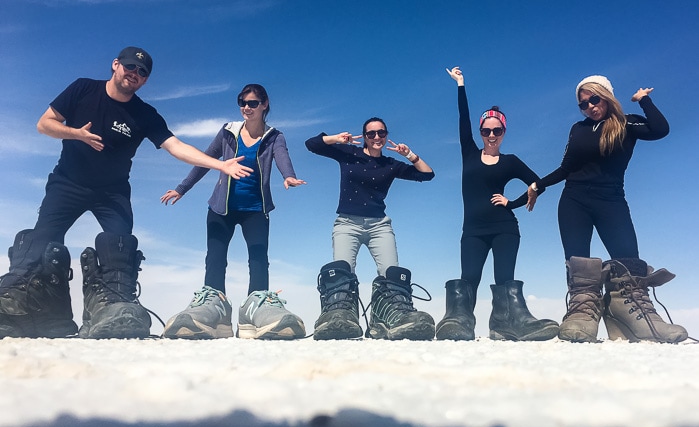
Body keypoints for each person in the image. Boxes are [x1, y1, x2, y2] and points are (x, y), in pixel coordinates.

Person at [0, 46, 251, 340]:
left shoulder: (145, 114)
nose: (134, 74)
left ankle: (111, 306)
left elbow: (175, 146)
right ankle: (42, 312)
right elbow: (45, 124)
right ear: (116, 65)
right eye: (130, 67)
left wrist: (219, 164)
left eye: (142, 72)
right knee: (42, 246)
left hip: (112, 193)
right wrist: (76, 133)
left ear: (145, 80)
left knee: (119, 248)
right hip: (67, 183)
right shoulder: (83, 89)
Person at [528, 75, 687, 343]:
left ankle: (628, 314)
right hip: (574, 201)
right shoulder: (577, 128)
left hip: (611, 201)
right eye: (583, 104)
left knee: (629, 269)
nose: (589, 106)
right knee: (580, 272)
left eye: (594, 99)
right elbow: (566, 168)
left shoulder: (627, 123)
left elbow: (661, 129)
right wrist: (538, 185)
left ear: (607, 96)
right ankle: (582, 313)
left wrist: (643, 99)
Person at [160, 84, 307, 340]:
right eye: (242, 102)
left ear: (264, 104)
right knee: (215, 259)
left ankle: (256, 312)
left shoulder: (274, 136)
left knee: (259, 259)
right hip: (221, 209)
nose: (246, 108)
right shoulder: (228, 132)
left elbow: (282, 156)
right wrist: (182, 188)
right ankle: (214, 312)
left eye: (252, 103)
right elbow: (206, 160)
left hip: (255, 210)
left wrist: (289, 176)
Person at [437, 67, 558, 342]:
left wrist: (512, 202)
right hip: (473, 231)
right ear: (480, 132)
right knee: (468, 279)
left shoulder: (511, 161)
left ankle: (505, 325)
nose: (491, 135)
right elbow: (463, 118)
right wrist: (460, 85)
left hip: (505, 228)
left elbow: (539, 182)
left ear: (504, 132)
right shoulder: (469, 152)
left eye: (497, 130)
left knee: (505, 280)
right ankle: (460, 323)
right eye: (486, 130)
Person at [305, 118, 435, 341]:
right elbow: (312, 144)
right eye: (371, 134)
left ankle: (383, 320)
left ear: (386, 135)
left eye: (381, 133)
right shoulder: (349, 153)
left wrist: (409, 155)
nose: (377, 138)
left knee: (392, 277)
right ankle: (342, 317)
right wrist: (336, 139)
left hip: (379, 226)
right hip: (347, 224)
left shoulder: (390, 165)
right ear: (364, 136)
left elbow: (426, 174)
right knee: (342, 274)